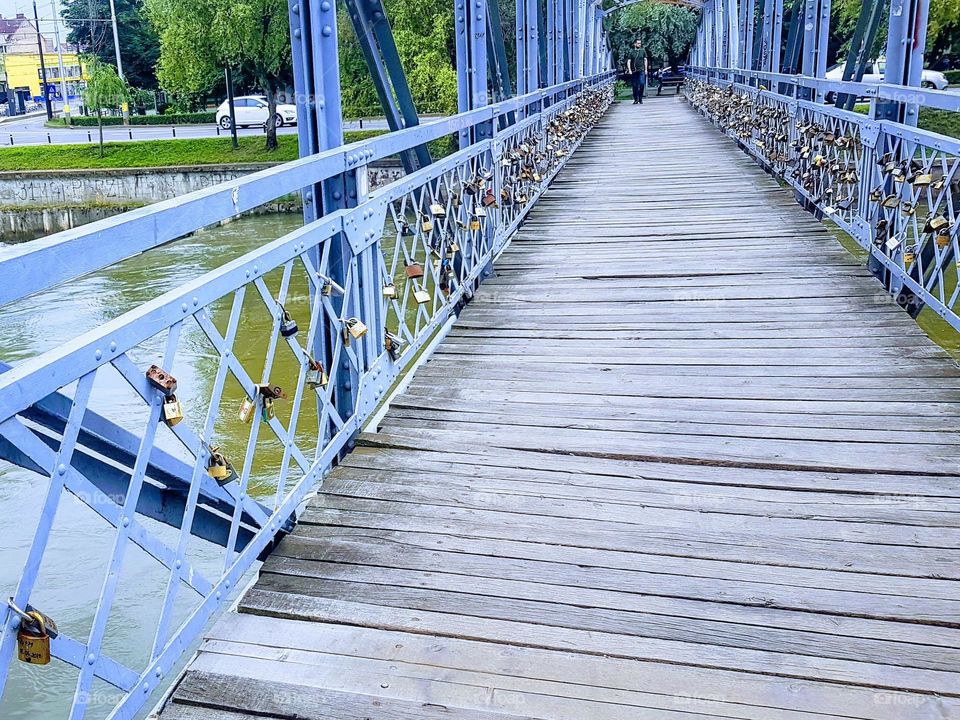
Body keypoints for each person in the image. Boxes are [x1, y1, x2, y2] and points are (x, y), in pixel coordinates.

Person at [625, 39, 648, 104]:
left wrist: (646, 69)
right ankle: (636, 99)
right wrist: (629, 70)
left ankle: (640, 98)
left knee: (642, 83)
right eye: (638, 43)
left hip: (641, 70)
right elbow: (629, 61)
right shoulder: (631, 52)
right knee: (634, 86)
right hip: (634, 71)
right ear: (634, 44)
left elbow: (645, 60)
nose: (639, 44)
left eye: (640, 43)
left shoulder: (643, 51)